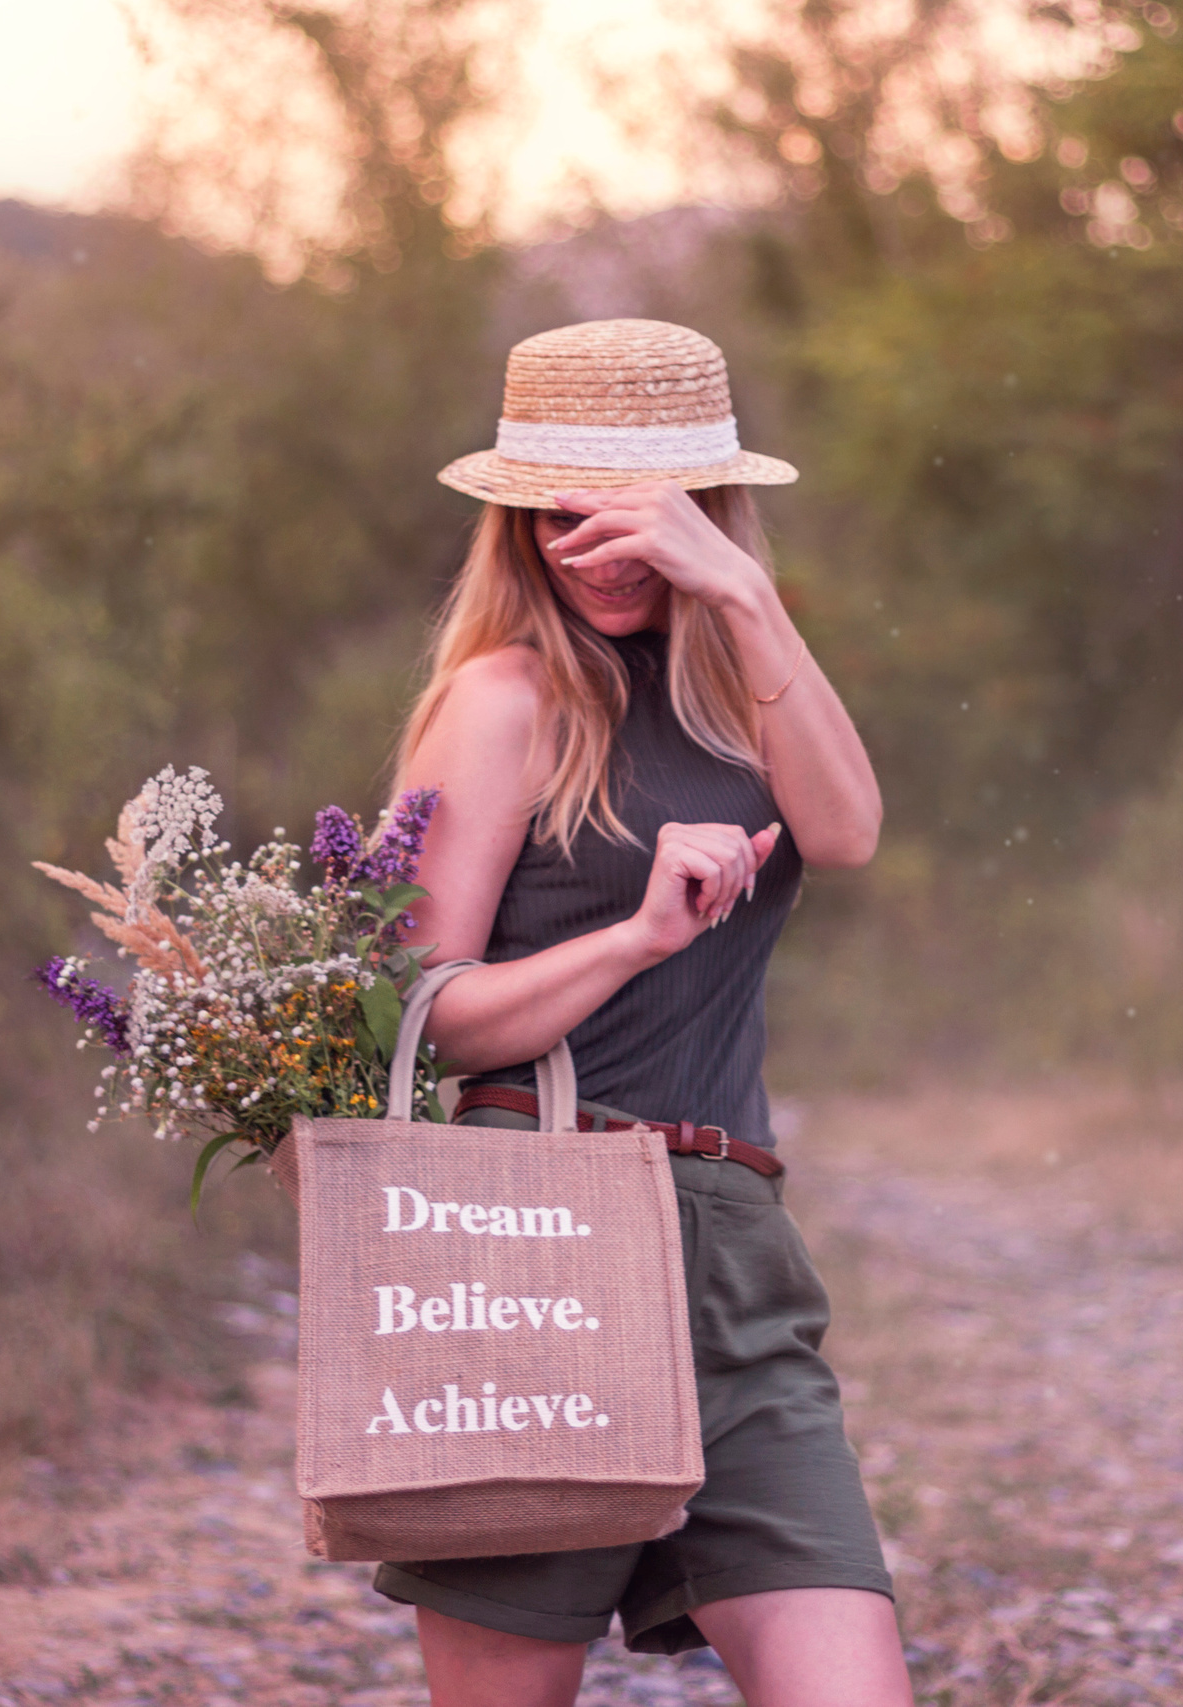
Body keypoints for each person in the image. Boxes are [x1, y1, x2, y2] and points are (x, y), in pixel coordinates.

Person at [375, 318, 912, 1707]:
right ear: (517, 514)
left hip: (732, 1247)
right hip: (533, 1234)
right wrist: (634, 938)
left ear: (702, 507)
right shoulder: (505, 702)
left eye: (629, 514)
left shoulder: (747, 697)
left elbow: (846, 830)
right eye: (558, 512)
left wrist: (738, 592)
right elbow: (430, 1022)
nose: (589, 546)